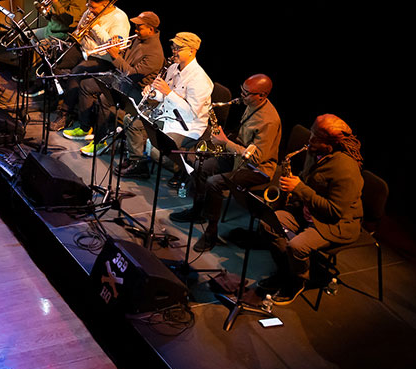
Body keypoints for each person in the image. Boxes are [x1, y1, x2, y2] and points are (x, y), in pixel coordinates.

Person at [169, 74, 281, 252]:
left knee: (214, 183)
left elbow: (256, 157)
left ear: (262, 95)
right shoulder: (251, 103)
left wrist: (226, 143)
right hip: (238, 158)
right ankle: (197, 211)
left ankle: (211, 233)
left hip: (256, 169)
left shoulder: (269, 121)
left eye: (247, 93)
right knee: (200, 166)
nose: (241, 95)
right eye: (242, 90)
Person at [260, 113, 364, 305]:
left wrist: (299, 188)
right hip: (309, 211)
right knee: (268, 222)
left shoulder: (346, 170)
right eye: (311, 132)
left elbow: (334, 212)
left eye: (316, 136)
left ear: (330, 143)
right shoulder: (314, 152)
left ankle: (298, 281)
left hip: (334, 224)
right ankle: (286, 271)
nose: (310, 139)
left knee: (297, 246)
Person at [62, 11, 165, 157]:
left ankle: (101, 141)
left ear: (151, 29)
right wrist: (116, 44)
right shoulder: (139, 39)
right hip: (122, 80)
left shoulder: (155, 53)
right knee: (86, 85)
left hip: (136, 90)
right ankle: (86, 128)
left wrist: (115, 55)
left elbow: (132, 75)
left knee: (105, 99)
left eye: (139, 27)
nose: (135, 31)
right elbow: (126, 60)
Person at [121, 32, 213, 179]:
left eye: (178, 48)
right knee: (131, 120)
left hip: (186, 125)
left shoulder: (200, 80)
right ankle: (137, 162)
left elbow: (191, 114)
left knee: (157, 153)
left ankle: (184, 169)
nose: (174, 51)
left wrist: (168, 92)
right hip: (166, 116)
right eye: (173, 47)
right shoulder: (173, 68)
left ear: (192, 50)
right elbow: (163, 96)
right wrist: (153, 94)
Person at [56, 0, 130, 142]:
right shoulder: (91, 11)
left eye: (93, 7)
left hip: (104, 59)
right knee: (56, 61)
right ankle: (58, 101)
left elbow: (113, 47)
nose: (89, 9)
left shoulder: (119, 19)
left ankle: (66, 114)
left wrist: (95, 27)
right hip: (84, 49)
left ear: (105, 5)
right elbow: (79, 30)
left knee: (77, 72)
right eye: (88, 6)